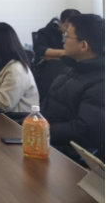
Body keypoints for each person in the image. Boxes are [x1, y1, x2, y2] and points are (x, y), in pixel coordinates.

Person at [42, 14, 104, 162]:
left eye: (66, 35)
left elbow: (83, 130)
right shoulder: (73, 68)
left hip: (67, 156)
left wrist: (42, 130)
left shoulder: (100, 81)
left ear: (83, 45)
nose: (63, 39)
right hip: (47, 143)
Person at [33, 9, 80, 103]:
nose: (70, 30)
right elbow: (40, 50)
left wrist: (54, 55)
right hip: (46, 72)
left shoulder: (79, 35)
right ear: (60, 23)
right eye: (67, 26)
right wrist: (66, 53)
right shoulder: (45, 32)